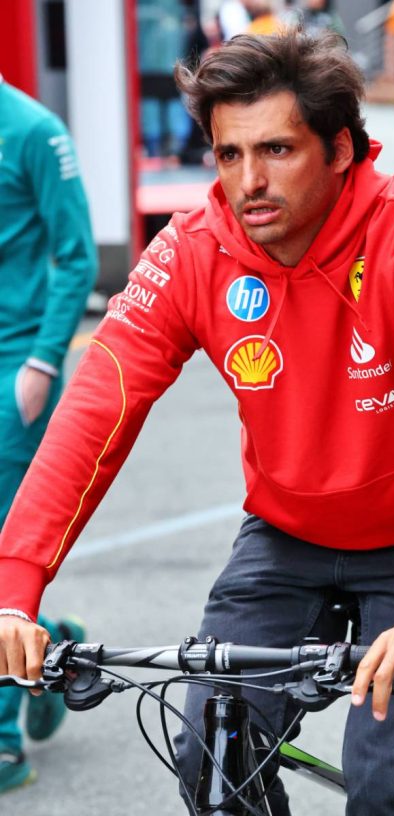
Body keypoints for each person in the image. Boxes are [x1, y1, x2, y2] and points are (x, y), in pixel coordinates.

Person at [0, 29, 394, 814]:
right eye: (228, 155)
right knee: (210, 757)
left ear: (340, 149)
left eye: (275, 150)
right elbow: (97, 405)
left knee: (385, 785)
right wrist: (14, 586)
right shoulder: (191, 250)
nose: (249, 182)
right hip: (287, 534)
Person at [0, 77, 96, 793]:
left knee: (5, 553)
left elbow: (78, 254)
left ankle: (3, 740)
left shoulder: (33, 130)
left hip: (14, 369)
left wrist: (42, 358)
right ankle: (54, 644)